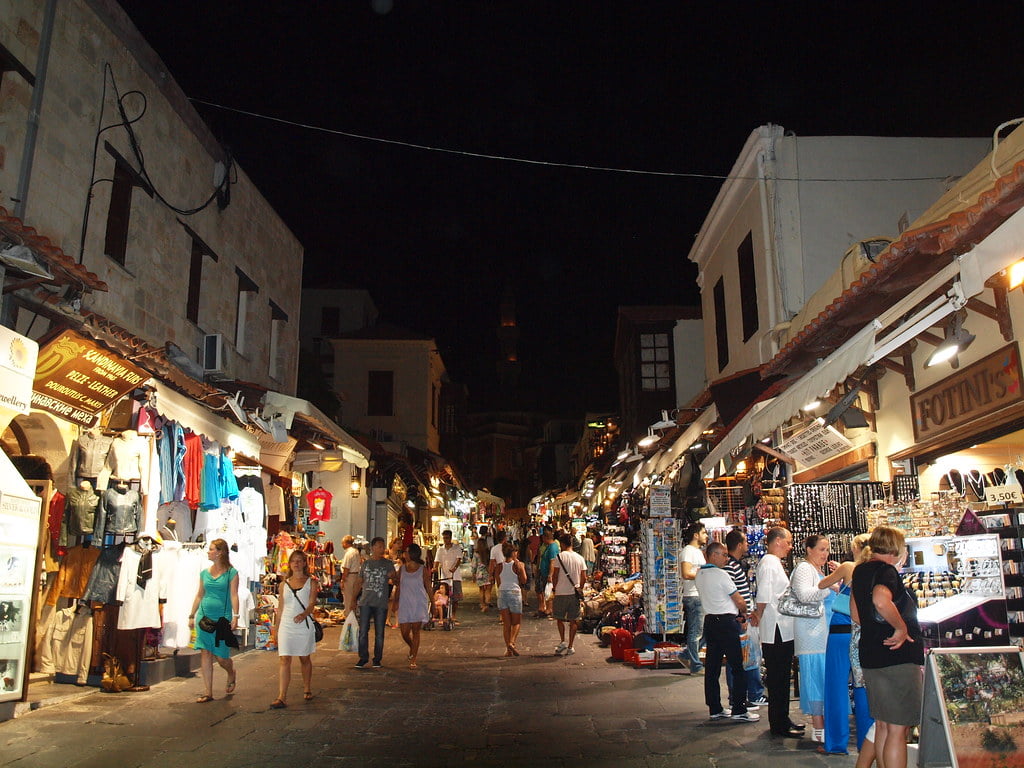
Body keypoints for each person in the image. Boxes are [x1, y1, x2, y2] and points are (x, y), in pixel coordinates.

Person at [851, 526, 923, 768]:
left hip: (872, 655)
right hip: (896, 658)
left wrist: (876, 628)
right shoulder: (886, 571)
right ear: (896, 548)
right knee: (897, 730)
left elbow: (855, 613)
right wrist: (901, 628)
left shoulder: (860, 570)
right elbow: (881, 600)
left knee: (883, 724)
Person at [818, 533, 874, 755]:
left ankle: (836, 743)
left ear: (856, 549)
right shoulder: (872, 570)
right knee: (862, 688)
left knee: (836, 687)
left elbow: (822, 583)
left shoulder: (848, 566)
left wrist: (838, 582)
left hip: (840, 632)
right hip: (862, 634)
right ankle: (867, 742)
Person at [695, 542, 759, 723]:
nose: (726, 558)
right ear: (713, 555)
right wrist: (744, 612)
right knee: (737, 666)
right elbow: (739, 600)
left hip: (710, 621)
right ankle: (739, 708)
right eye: (723, 555)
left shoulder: (700, 574)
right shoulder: (721, 575)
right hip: (726, 622)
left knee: (712, 667)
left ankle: (715, 708)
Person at [753, 527, 805, 738]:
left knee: (782, 677)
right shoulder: (768, 563)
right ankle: (779, 723)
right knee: (778, 678)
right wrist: (758, 614)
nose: (790, 547)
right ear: (777, 542)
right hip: (775, 629)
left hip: (781, 628)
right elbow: (764, 594)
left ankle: (782, 719)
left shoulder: (773, 563)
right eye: (788, 542)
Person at [791, 534, 834, 744]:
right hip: (812, 638)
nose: (825, 554)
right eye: (821, 549)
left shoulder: (817, 571)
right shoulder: (804, 569)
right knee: (816, 681)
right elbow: (804, 596)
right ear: (809, 550)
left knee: (823, 682)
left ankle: (824, 726)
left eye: (827, 550)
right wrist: (829, 585)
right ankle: (819, 728)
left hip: (823, 637)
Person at [188, 538, 239, 703]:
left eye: (211, 549)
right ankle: (208, 692)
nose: (208, 552)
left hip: (223, 618)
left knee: (221, 657)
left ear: (220, 552)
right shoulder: (204, 573)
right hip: (204, 616)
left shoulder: (231, 573)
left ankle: (231, 672)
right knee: (205, 652)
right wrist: (191, 614)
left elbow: (233, 595)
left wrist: (236, 616)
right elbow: (199, 594)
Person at [270, 549, 319, 708]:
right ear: (290, 564)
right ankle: (281, 696)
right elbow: (281, 607)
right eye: (293, 561)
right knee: (284, 658)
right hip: (286, 623)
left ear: (305, 563)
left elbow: (312, 604)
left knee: (304, 657)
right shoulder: (284, 584)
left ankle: (307, 687)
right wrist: (276, 629)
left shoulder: (311, 582)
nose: (296, 563)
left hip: (303, 624)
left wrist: (304, 614)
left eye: (299, 560)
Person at [723, 528, 765, 706]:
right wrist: (742, 615)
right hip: (740, 620)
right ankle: (748, 695)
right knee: (743, 658)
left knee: (745, 657)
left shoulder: (734, 565)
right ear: (739, 545)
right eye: (746, 542)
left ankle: (743, 695)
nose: (748, 545)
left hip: (741, 618)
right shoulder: (730, 566)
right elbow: (732, 594)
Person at [353, 537, 391, 669]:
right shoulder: (366, 564)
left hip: (380, 603)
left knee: (379, 632)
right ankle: (363, 657)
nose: (382, 549)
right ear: (373, 547)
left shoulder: (388, 564)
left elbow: (395, 578)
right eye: (379, 546)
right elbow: (359, 582)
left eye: (383, 546)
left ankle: (377, 658)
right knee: (363, 631)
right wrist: (353, 599)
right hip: (366, 602)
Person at [393, 542, 432, 668]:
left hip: (418, 603)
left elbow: (428, 587)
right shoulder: (402, 569)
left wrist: (433, 603)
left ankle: (413, 658)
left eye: (406, 552)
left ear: (411, 554)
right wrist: (395, 602)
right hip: (405, 602)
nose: (404, 554)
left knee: (416, 631)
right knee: (404, 632)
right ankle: (412, 646)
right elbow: (399, 586)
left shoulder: (422, 570)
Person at [549, 532, 586, 656]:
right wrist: (579, 588)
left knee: (559, 618)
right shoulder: (579, 558)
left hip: (560, 592)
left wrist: (554, 588)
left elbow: (555, 575)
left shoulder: (560, 557)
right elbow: (584, 577)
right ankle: (571, 646)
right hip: (574, 593)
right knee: (573, 620)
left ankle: (562, 641)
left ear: (563, 544)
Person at [680, 521, 708, 674]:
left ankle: (687, 655)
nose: (706, 536)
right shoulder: (688, 551)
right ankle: (695, 665)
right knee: (696, 631)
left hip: (700, 595)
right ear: (696, 535)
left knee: (705, 631)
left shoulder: (698, 551)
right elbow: (685, 573)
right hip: (693, 596)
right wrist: (703, 574)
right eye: (704, 533)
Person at [495, 539, 527, 656]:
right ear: (514, 553)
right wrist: (519, 567)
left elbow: (498, 582)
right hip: (514, 593)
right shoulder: (519, 565)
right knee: (517, 622)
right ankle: (512, 643)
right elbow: (524, 580)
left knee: (506, 624)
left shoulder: (498, 566)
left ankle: (508, 650)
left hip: (502, 593)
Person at [434, 530, 464, 623]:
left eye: (447, 538)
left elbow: (459, 559)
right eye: (444, 538)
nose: (445, 540)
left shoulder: (456, 548)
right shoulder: (440, 549)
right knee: (443, 596)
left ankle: (453, 615)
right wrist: (434, 568)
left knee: (455, 597)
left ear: (450, 538)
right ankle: (444, 614)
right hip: (444, 576)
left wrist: (454, 568)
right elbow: (437, 561)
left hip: (455, 576)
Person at [535, 529, 560, 618]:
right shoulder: (548, 546)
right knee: (545, 590)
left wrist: (550, 575)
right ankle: (545, 608)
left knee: (548, 591)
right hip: (543, 572)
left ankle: (549, 609)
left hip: (547, 573)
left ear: (545, 537)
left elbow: (552, 561)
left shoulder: (553, 547)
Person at [340, 535, 361, 619]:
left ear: (346, 543)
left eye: (342, 543)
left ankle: (349, 616)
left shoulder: (349, 553)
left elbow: (346, 568)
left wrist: (342, 580)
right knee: (354, 597)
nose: (342, 545)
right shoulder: (356, 551)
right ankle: (353, 615)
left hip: (350, 577)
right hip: (356, 576)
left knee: (348, 598)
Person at [475, 526, 494, 612]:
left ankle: (482, 604)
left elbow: (473, 564)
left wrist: (473, 573)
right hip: (487, 570)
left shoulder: (476, 553)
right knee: (488, 589)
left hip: (479, 572)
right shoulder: (488, 552)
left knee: (481, 589)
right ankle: (487, 603)